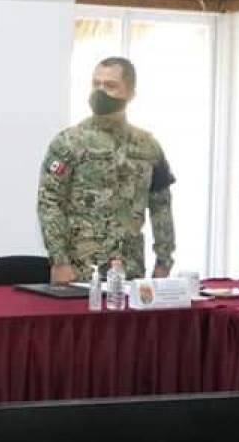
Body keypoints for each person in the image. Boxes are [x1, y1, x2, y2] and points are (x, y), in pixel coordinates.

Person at [38, 57, 175, 283]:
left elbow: (161, 206)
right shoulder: (69, 142)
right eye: (96, 84)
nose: (100, 91)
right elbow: (49, 202)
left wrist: (164, 261)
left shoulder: (148, 146)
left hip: (130, 269)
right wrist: (59, 261)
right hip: (79, 270)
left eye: (110, 85)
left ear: (130, 93)